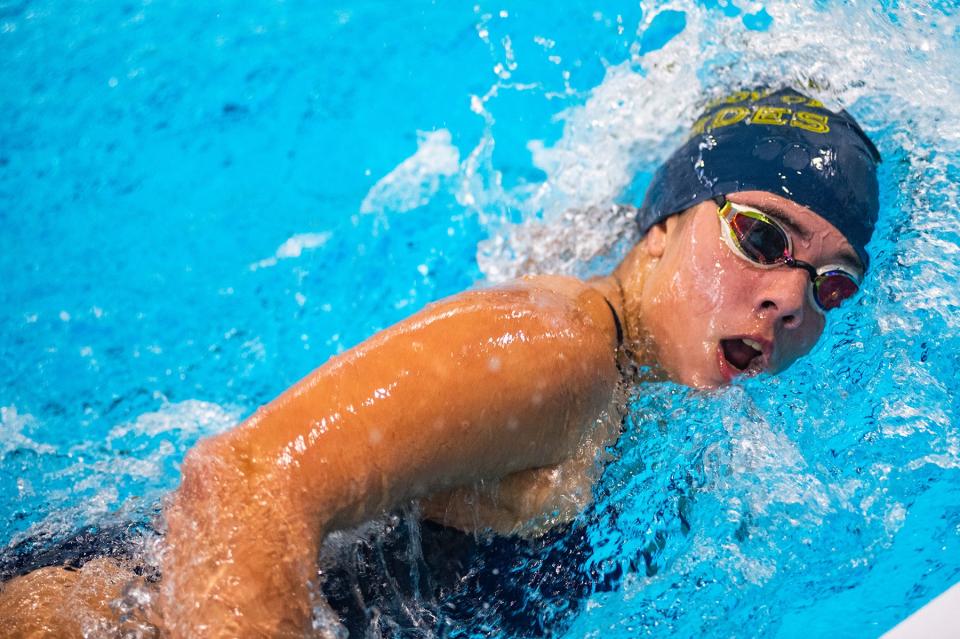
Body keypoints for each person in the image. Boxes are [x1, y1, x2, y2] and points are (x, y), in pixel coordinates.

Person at [0, 87, 881, 637]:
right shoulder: (558, 351)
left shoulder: (650, 406)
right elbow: (245, 481)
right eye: (761, 236)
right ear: (660, 229)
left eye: (830, 285)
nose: (791, 300)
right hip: (110, 613)